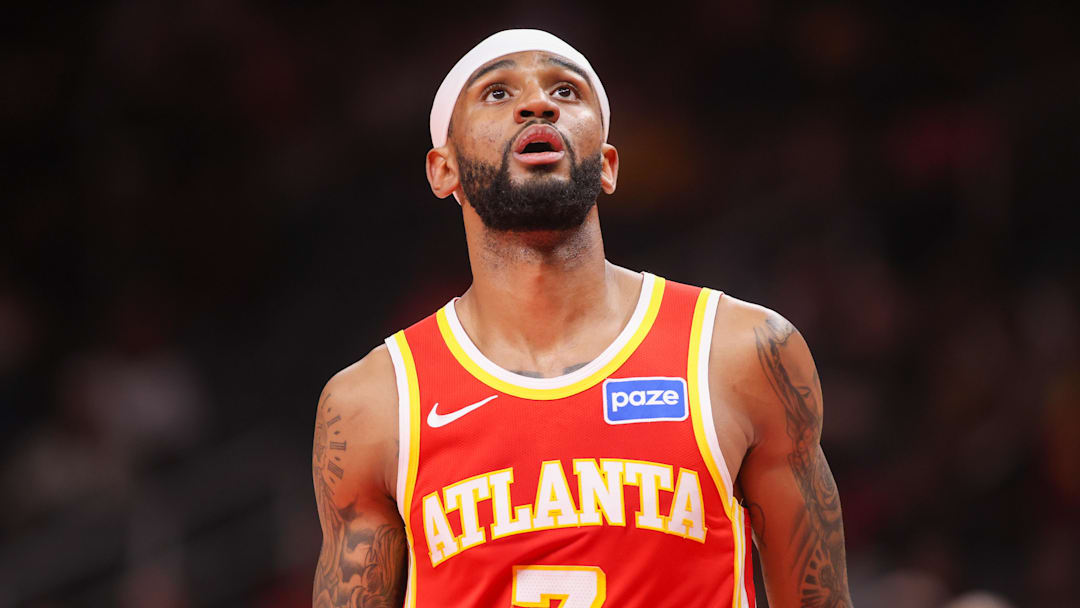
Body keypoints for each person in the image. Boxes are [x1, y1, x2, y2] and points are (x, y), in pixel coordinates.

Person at [312, 29, 852, 608]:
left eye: (565, 91)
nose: (537, 103)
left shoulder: (742, 352)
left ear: (608, 166)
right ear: (444, 170)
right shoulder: (374, 403)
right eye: (497, 93)